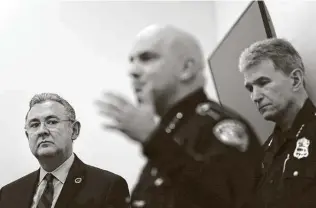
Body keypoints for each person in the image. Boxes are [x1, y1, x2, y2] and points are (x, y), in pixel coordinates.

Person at [95, 24, 262, 208]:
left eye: (146, 58)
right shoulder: (172, 132)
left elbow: (221, 200)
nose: (132, 71)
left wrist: (153, 140)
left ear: (186, 68)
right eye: (132, 60)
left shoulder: (217, 127)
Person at [0, 93, 130, 208]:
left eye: (51, 122)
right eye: (34, 125)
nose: (42, 131)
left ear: (74, 130)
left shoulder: (107, 187)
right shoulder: (8, 194)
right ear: (28, 136)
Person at [239, 38, 316, 208]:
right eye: (250, 88)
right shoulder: (262, 154)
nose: (255, 97)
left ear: (295, 80)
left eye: (263, 83)